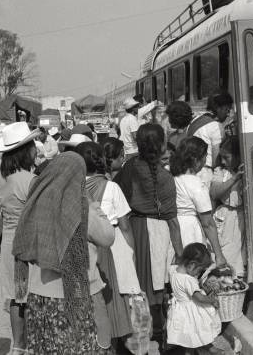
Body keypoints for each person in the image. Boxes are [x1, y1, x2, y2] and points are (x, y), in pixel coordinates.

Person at [12, 152, 115, 354]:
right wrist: (94, 205)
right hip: (78, 296)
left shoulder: (36, 204)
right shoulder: (82, 208)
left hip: (40, 298)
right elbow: (107, 237)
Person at [115, 123, 183, 348]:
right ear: (163, 145)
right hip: (158, 234)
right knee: (160, 290)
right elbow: (172, 222)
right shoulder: (165, 177)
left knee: (135, 288)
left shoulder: (128, 168)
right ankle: (163, 336)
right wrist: (180, 256)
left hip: (132, 231)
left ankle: (136, 337)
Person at [75, 141, 141, 352]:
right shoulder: (111, 187)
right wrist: (131, 256)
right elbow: (125, 226)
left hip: (80, 246)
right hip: (109, 246)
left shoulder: (72, 187)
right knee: (111, 301)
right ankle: (110, 345)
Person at [0, 122, 40, 355]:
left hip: (9, 240)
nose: (36, 150)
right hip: (28, 241)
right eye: (32, 146)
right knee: (31, 293)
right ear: (25, 150)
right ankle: (33, 342)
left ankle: (17, 345)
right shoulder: (29, 180)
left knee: (15, 296)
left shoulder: (0, 178)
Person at [170, 137, 229, 267]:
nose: (205, 161)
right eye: (204, 156)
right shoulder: (196, 184)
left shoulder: (173, 178)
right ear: (196, 160)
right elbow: (207, 223)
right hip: (190, 232)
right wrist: (219, 255)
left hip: (173, 229)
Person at [166, 243, 221, 355]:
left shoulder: (173, 271)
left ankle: (208, 348)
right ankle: (205, 349)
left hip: (180, 310)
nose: (198, 273)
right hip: (191, 311)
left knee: (189, 336)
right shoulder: (188, 280)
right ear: (192, 264)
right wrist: (212, 300)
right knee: (197, 332)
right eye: (199, 270)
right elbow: (199, 298)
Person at [210, 136, 246, 277]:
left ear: (238, 155)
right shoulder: (221, 171)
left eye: (227, 157)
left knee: (244, 258)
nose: (223, 161)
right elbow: (214, 192)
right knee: (227, 256)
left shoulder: (248, 169)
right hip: (225, 217)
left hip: (242, 216)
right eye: (222, 157)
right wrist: (235, 178)